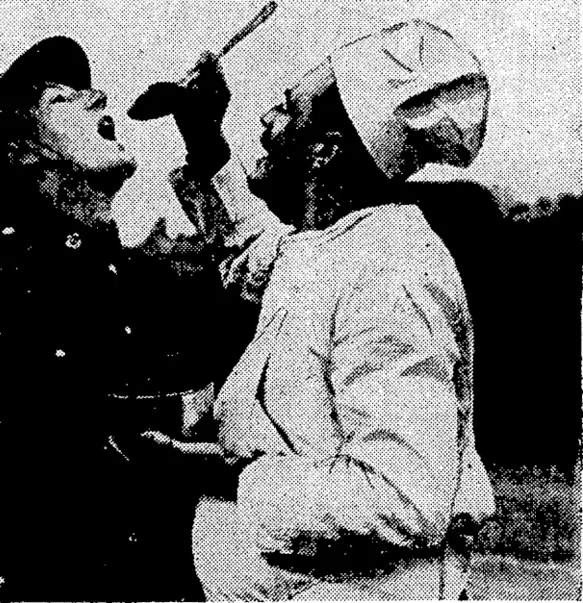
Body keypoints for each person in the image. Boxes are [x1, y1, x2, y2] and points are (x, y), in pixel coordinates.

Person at [0, 36, 246, 602]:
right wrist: (178, 412)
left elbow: (274, 298)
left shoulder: (122, 277)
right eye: (63, 98)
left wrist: (206, 145)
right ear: (20, 153)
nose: (99, 97)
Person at [132, 19, 496, 600]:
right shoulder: (329, 244)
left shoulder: (389, 271)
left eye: (284, 111)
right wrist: (204, 138)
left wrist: (217, 472)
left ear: (323, 153)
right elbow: (250, 250)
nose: (265, 125)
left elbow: (404, 499)